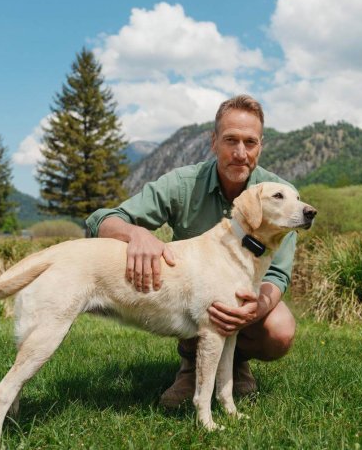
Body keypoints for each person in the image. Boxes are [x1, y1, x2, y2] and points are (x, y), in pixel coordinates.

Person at [85, 94, 297, 407]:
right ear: (213, 142)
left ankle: (235, 363)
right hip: (189, 299)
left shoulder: (282, 196)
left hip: (245, 300)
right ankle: (191, 363)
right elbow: (100, 221)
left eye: (250, 142)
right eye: (230, 140)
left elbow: (277, 274)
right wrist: (135, 233)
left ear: (260, 146)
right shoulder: (183, 184)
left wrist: (255, 310)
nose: (240, 153)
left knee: (279, 329)